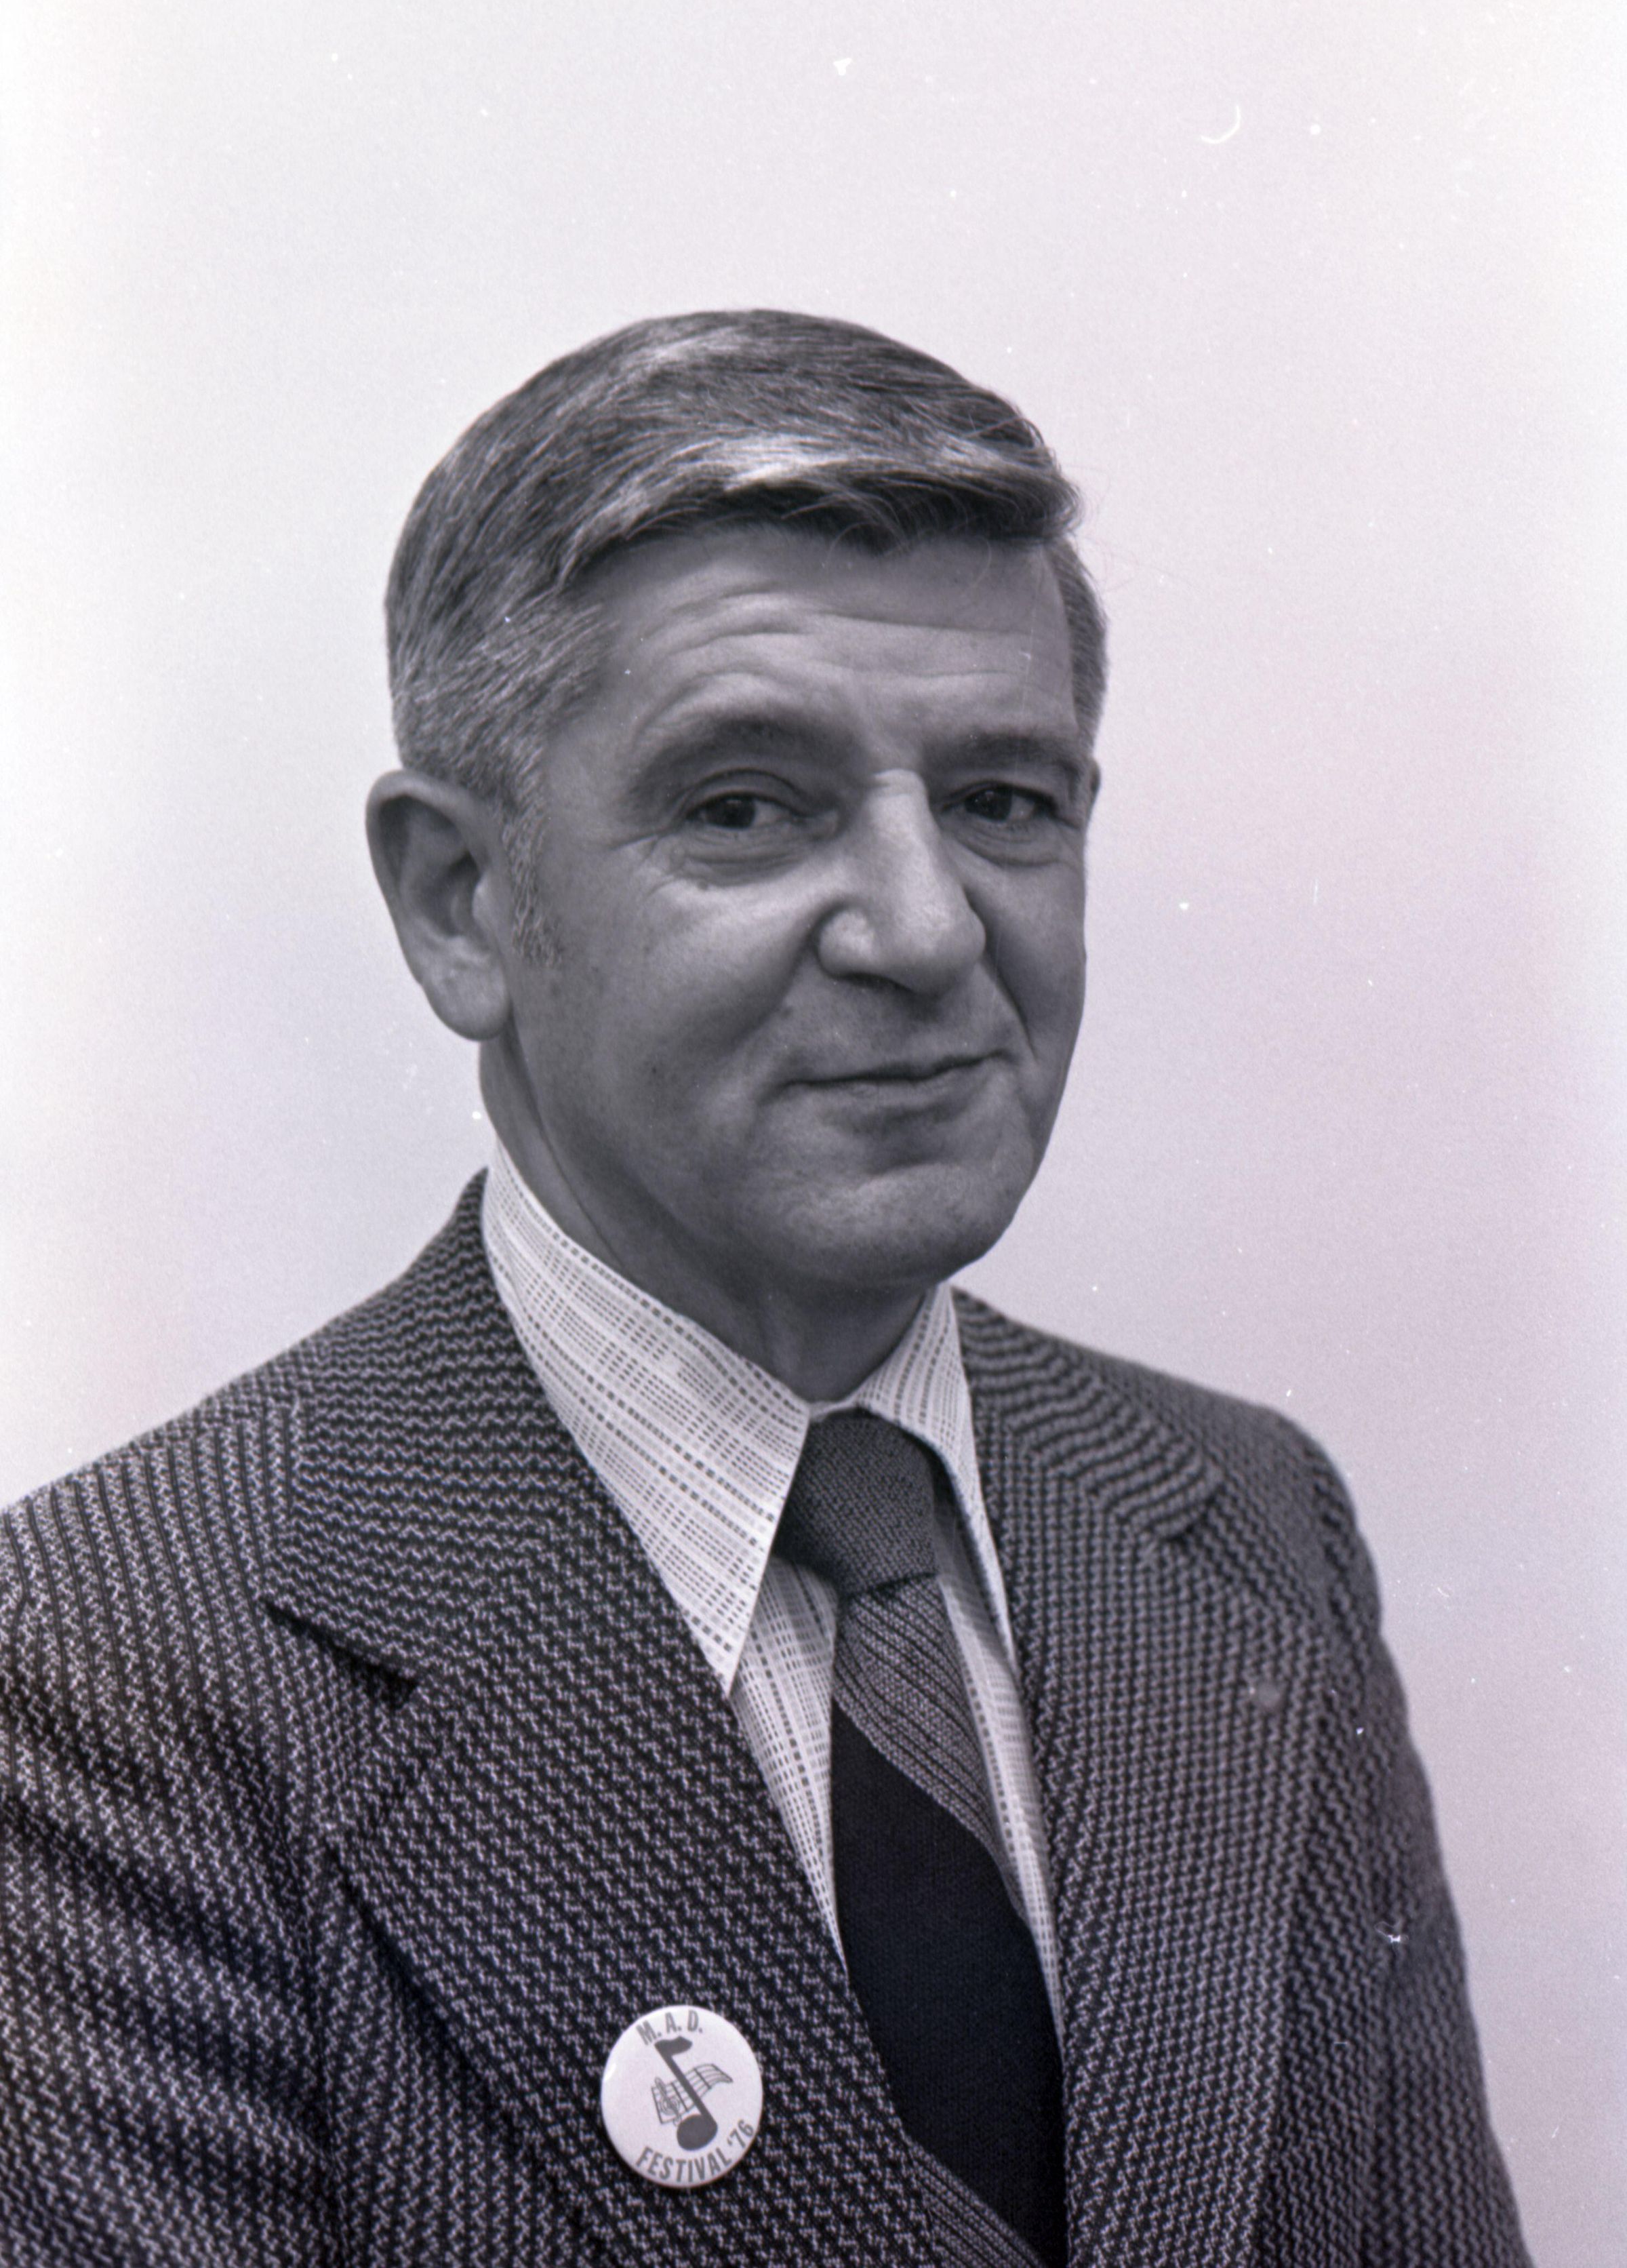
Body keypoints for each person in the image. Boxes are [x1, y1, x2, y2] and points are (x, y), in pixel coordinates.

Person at [0, 311, 1528, 2267]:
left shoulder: (1249, 1521)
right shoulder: (107, 1661)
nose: (925, 928)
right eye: (745, 805)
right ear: (461, 904)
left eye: (1005, 801)